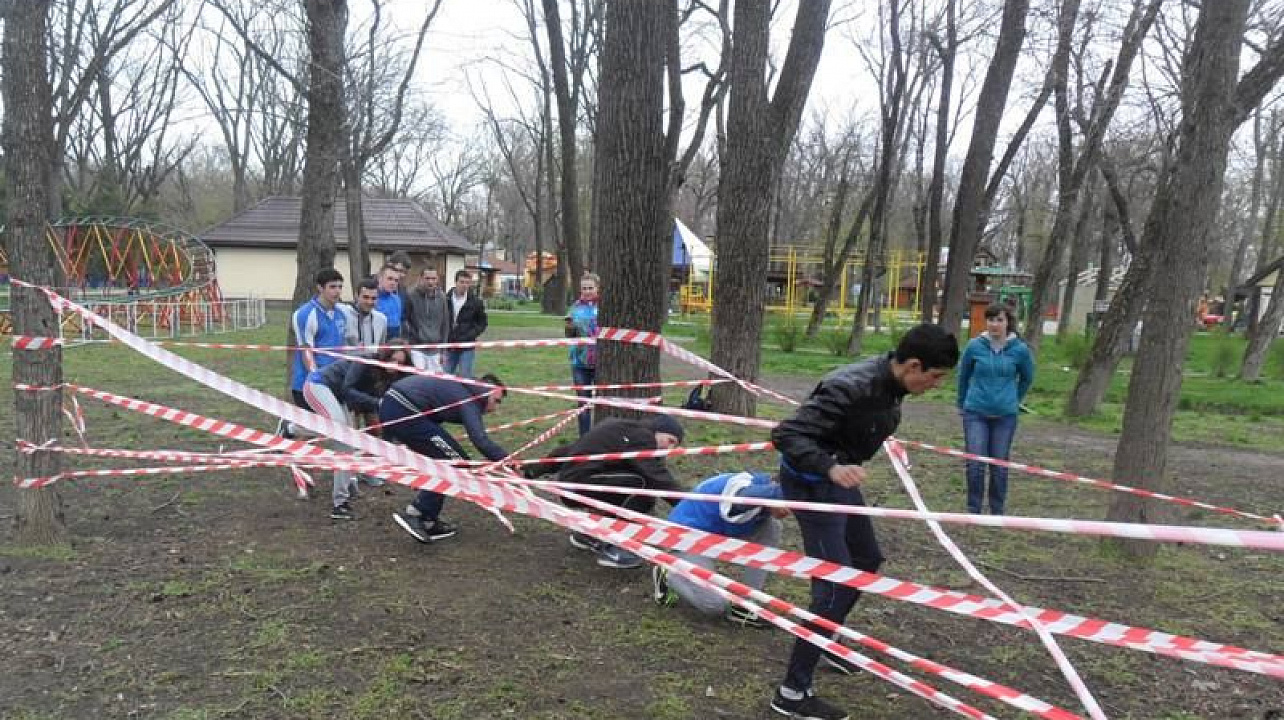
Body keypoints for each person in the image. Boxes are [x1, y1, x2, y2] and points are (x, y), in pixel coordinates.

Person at [768, 324, 959, 720]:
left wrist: (839, 469)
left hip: (839, 478)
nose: (936, 385)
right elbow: (786, 435)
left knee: (866, 561)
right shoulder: (849, 387)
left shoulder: (892, 386)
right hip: (813, 484)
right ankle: (791, 692)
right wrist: (829, 467)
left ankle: (825, 639)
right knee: (833, 584)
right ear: (913, 365)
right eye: (935, 376)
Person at [530, 413, 685, 569]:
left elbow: (571, 449)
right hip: (582, 484)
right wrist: (687, 504)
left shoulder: (619, 429)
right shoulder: (643, 437)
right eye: (670, 440)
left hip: (571, 486)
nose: (669, 448)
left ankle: (589, 534)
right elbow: (656, 475)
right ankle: (619, 548)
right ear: (658, 430)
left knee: (629, 480)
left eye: (674, 446)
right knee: (643, 485)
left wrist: (533, 470)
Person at [383, 372, 509, 543]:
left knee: (447, 459)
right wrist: (508, 461)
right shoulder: (470, 399)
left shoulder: (464, 390)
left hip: (397, 406)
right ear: (486, 391)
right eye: (496, 401)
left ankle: (428, 520)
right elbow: (480, 440)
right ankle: (416, 513)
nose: (494, 409)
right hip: (405, 411)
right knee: (456, 462)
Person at [652, 471, 788, 627]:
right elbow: (741, 499)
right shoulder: (744, 489)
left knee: (771, 528)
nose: (789, 512)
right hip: (686, 538)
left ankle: (744, 604)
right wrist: (774, 496)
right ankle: (668, 573)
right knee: (714, 606)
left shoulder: (763, 492)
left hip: (716, 533)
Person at [303, 342, 410, 520]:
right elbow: (348, 389)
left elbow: (377, 406)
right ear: (384, 356)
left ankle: (340, 502)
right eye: (392, 360)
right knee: (339, 429)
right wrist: (377, 403)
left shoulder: (391, 378)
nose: (394, 366)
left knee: (346, 443)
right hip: (318, 384)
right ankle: (291, 427)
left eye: (400, 363)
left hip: (339, 397)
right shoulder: (364, 361)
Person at [956, 304, 1034, 516]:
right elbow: (963, 376)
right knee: (975, 462)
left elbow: (1027, 378)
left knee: (999, 464)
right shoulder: (974, 346)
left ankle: (997, 509)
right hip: (975, 412)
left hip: (1005, 416)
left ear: (1008, 322)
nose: (994, 324)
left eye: (999, 320)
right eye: (991, 320)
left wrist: (1014, 399)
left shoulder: (1019, 349)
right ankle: (974, 508)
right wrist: (962, 403)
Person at [281, 269, 349, 463]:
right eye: (332, 287)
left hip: (336, 381)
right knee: (332, 426)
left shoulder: (342, 313)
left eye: (340, 287)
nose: (337, 291)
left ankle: (346, 470)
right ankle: (290, 428)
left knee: (343, 429)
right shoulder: (305, 314)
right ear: (320, 288)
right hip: (310, 382)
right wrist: (315, 376)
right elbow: (306, 350)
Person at [565, 272, 600, 436]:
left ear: (597, 288)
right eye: (584, 288)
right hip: (579, 362)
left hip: (601, 362)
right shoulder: (575, 308)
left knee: (602, 402)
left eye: (590, 288)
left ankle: (601, 436)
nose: (587, 291)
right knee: (583, 403)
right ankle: (584, 437)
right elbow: (569, 335)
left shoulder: (605, 307)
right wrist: (569, 328)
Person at [404, 267, 450, 373]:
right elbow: (405, 320)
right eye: (427, 278)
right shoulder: (411, 295)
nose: (430, 282)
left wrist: (443, 350)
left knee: (435, 380)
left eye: (433, 279)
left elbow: (445, 324)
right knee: (419, 379)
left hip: (435, 350)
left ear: (437, 279)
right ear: (421, 278)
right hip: (417, 348)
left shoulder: (442, 297)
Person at [445, 269, 488, 378]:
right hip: (449, 344)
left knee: (465, 376)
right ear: (455, 282)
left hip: (467, 346)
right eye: (462, 282)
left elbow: (482, 323)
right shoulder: (445, 299)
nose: (464, 285)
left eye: (467, 283)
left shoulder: (476, 302)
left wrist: (471, 334)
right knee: (445, 375)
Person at [342, 278, 388, 353]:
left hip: (371, 359)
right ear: (356, 296)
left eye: (373, 298)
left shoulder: (382, 320)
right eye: (365, 297)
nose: (369, 302)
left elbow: (380, 348)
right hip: (346, 359)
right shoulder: (343, 314)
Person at [375, 264, 405, 340]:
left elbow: (399, 324)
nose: (393, 283)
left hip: (394, 340)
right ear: (380, 278)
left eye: (396, 280)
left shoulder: (397, 299)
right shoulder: (372, 298)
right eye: (389, 279)